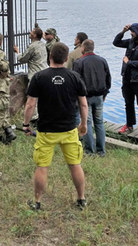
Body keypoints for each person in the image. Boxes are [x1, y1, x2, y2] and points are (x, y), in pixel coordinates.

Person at [22, 42, 89, 211]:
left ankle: (37, 202)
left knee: (42, 166)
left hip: (46, 131)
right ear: (67, 58)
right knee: (75, 164)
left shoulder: (39, 77)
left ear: (49, 56)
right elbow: (83, 105)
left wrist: (25, 124)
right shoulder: (75, 77)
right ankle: (81, 199)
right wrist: (83, 124)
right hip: (69, 130)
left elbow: (30, 104)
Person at [112, 23, 138, 139]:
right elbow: (116, 43)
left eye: (133, 32)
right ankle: (129, 124)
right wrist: (122, 32)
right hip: (127, 78)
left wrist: (128, 62)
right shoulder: (131, 42)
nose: (131, 34)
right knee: (128, 102)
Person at [72, 39, 111, 156]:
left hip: (85, 97)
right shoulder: (102, 60)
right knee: (99, 122)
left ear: (83, 48)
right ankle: (101, 150)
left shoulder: (79, 62)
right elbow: (108, 78)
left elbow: (76, 81)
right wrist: (105, 93)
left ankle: (89, 150)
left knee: (87, 121)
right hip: (99, 96)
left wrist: (76, 97)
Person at [13, 26, 49, 126]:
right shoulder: (42, 45)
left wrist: (17, 52)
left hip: (35, 75)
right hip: (44, 72)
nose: (30, 33)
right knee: (43, 97)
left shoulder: (32, 47)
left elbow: (23, 59)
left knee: (32, 98)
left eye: (32, 32)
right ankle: (43, 116)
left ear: (34, 35)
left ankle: (34, 119)